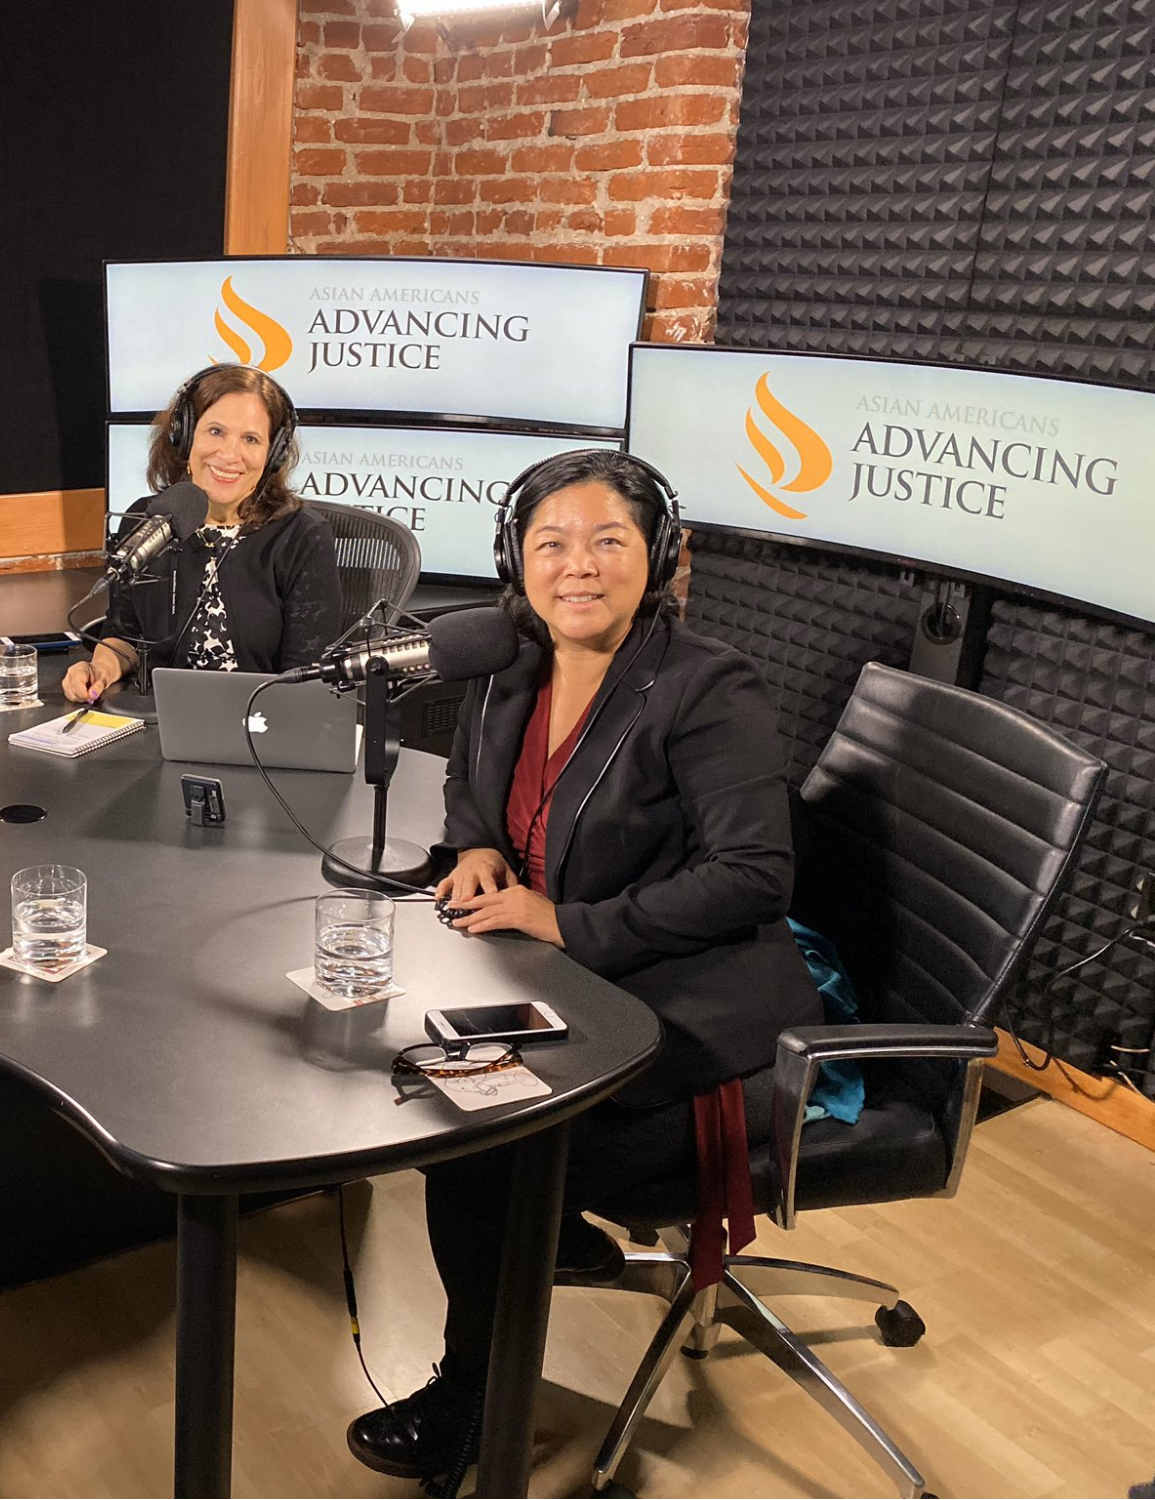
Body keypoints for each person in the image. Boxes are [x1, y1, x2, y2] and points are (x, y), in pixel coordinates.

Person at [345, 449, 821, 1481]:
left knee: (473, 1139)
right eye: (550, 543)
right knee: (410, 1067)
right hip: (562, 984)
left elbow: (753, 877)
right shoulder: (514, 655)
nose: (578, 566)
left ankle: (475, 1394)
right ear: (513, 559)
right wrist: (476, 845)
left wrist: (566, 923)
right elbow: (470, 778)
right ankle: (548, 1234)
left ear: (661, 556)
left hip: (690, 1019)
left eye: (609, 541)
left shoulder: (706, 688)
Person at [61, 363, 343, 701]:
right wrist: (99, 669)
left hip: (261, 721)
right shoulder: (147, 520)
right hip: (159, 717)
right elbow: (125, 635)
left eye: (250, 439)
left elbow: (308, 679)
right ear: (184, 435)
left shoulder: (302, 537)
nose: (229, 454)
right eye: (216, 431)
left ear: (273, 454)